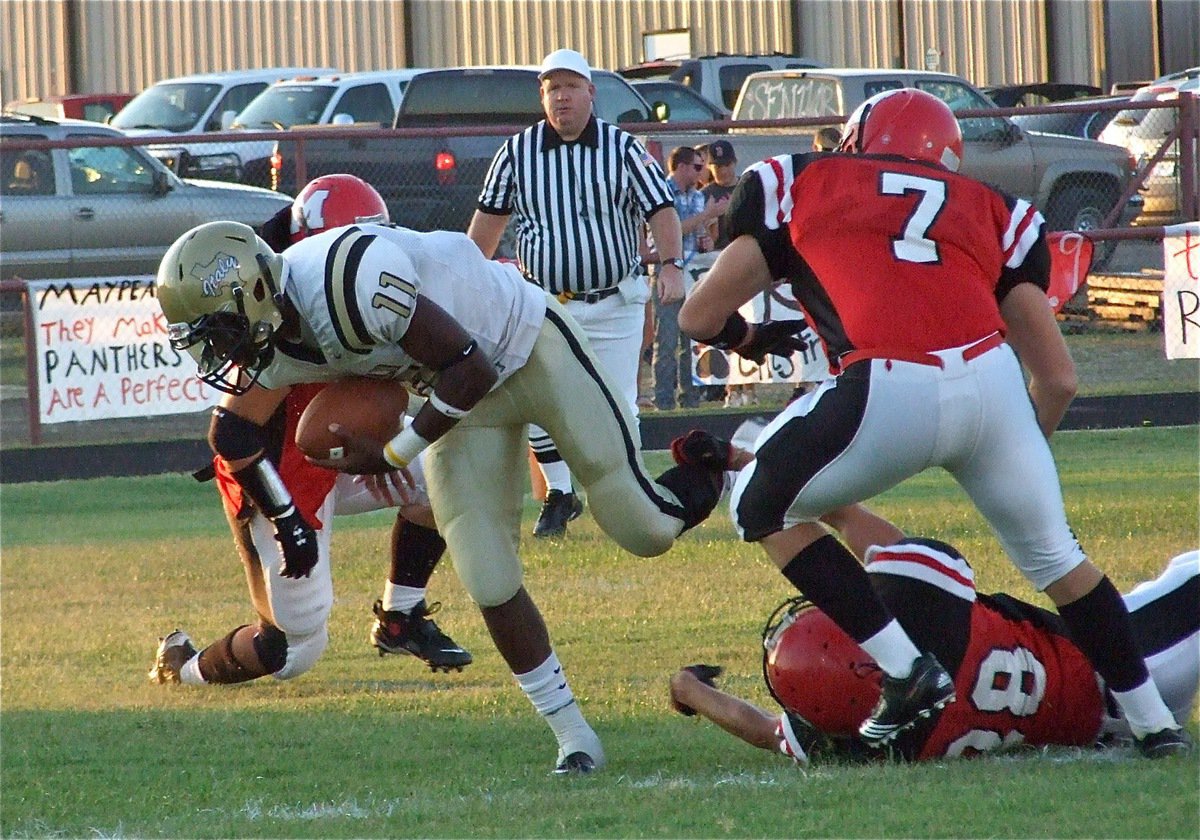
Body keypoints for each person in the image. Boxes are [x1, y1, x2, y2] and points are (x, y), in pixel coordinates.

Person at [676, 88, 1189, 756]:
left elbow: (696, 316)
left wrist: (747, 339)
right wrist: (1019, 448)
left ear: (861, 139)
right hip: (993, 382)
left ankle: (905, 667)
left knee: (757, 503)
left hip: (888, 383)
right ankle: (1156, 725)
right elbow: (1059, 376)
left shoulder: (800, 180)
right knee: (1058, 560)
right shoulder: (997, 212)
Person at [153, 212, 731, 774]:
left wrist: (396, 453)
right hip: (455, 405)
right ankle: (574, 737)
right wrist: (286, 519)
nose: (220, 352)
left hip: (526, 345)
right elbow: (228, 430)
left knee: (645, 528)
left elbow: (469, 367)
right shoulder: (273, 333)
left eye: (220, 331)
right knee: (487, 573)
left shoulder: (348, 281)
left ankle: (712, 464)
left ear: (255, 291)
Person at [148, 175, 473, 688]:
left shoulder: (370, 281)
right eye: (339, 248)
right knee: (293, 647)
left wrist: (384, 439)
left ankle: (400, 618)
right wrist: (286, 520)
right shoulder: (264, 302)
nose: (350, 261)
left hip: (342, 447)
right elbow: (233, 432)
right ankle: (183, 666)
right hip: (275, 472)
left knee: (450, 476)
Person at [669, 509, 1199, 764]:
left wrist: (693, 692)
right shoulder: (926, 619)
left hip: (1103, 732)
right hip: (1122, 662)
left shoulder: (858, 741)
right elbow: (888, 550)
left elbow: (763, 730)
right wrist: (828, 506)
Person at [467, 48, 688, 538]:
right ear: (541, 97)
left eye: (569, 86)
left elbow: (662, 209)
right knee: (542, 400)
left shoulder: (623, 148)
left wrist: (671, 265)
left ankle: (629, 495)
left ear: (591, 92)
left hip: (612, 301)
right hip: (542, 302)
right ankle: (560, 494)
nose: (561, 97)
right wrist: (465, 282)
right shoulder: (517, 153)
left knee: (619, 404)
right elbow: (486, 226)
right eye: (551, 88)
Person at [652, 146, 724, 411]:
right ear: (680, 167)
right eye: (696, 167)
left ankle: (689, 398)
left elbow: (695, 232)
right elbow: (671, 231)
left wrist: (706, 238)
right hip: (668, 271)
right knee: (667, 339)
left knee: (689, 339)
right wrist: (706, 216)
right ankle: (664, 401)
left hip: (693, 272)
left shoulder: (696, 196)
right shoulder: (662, 192)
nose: (701, 172)